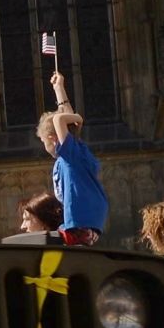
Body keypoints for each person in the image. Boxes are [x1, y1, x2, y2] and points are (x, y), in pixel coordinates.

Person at [38, 71, 109, 245]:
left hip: (80, 223)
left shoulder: (71, 155)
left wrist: (78, 118)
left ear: (52, 139)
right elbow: (65, 121)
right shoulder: (74, 152)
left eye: (42, 141)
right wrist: (59, 87)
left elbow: (60, 121)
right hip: (88, 222)